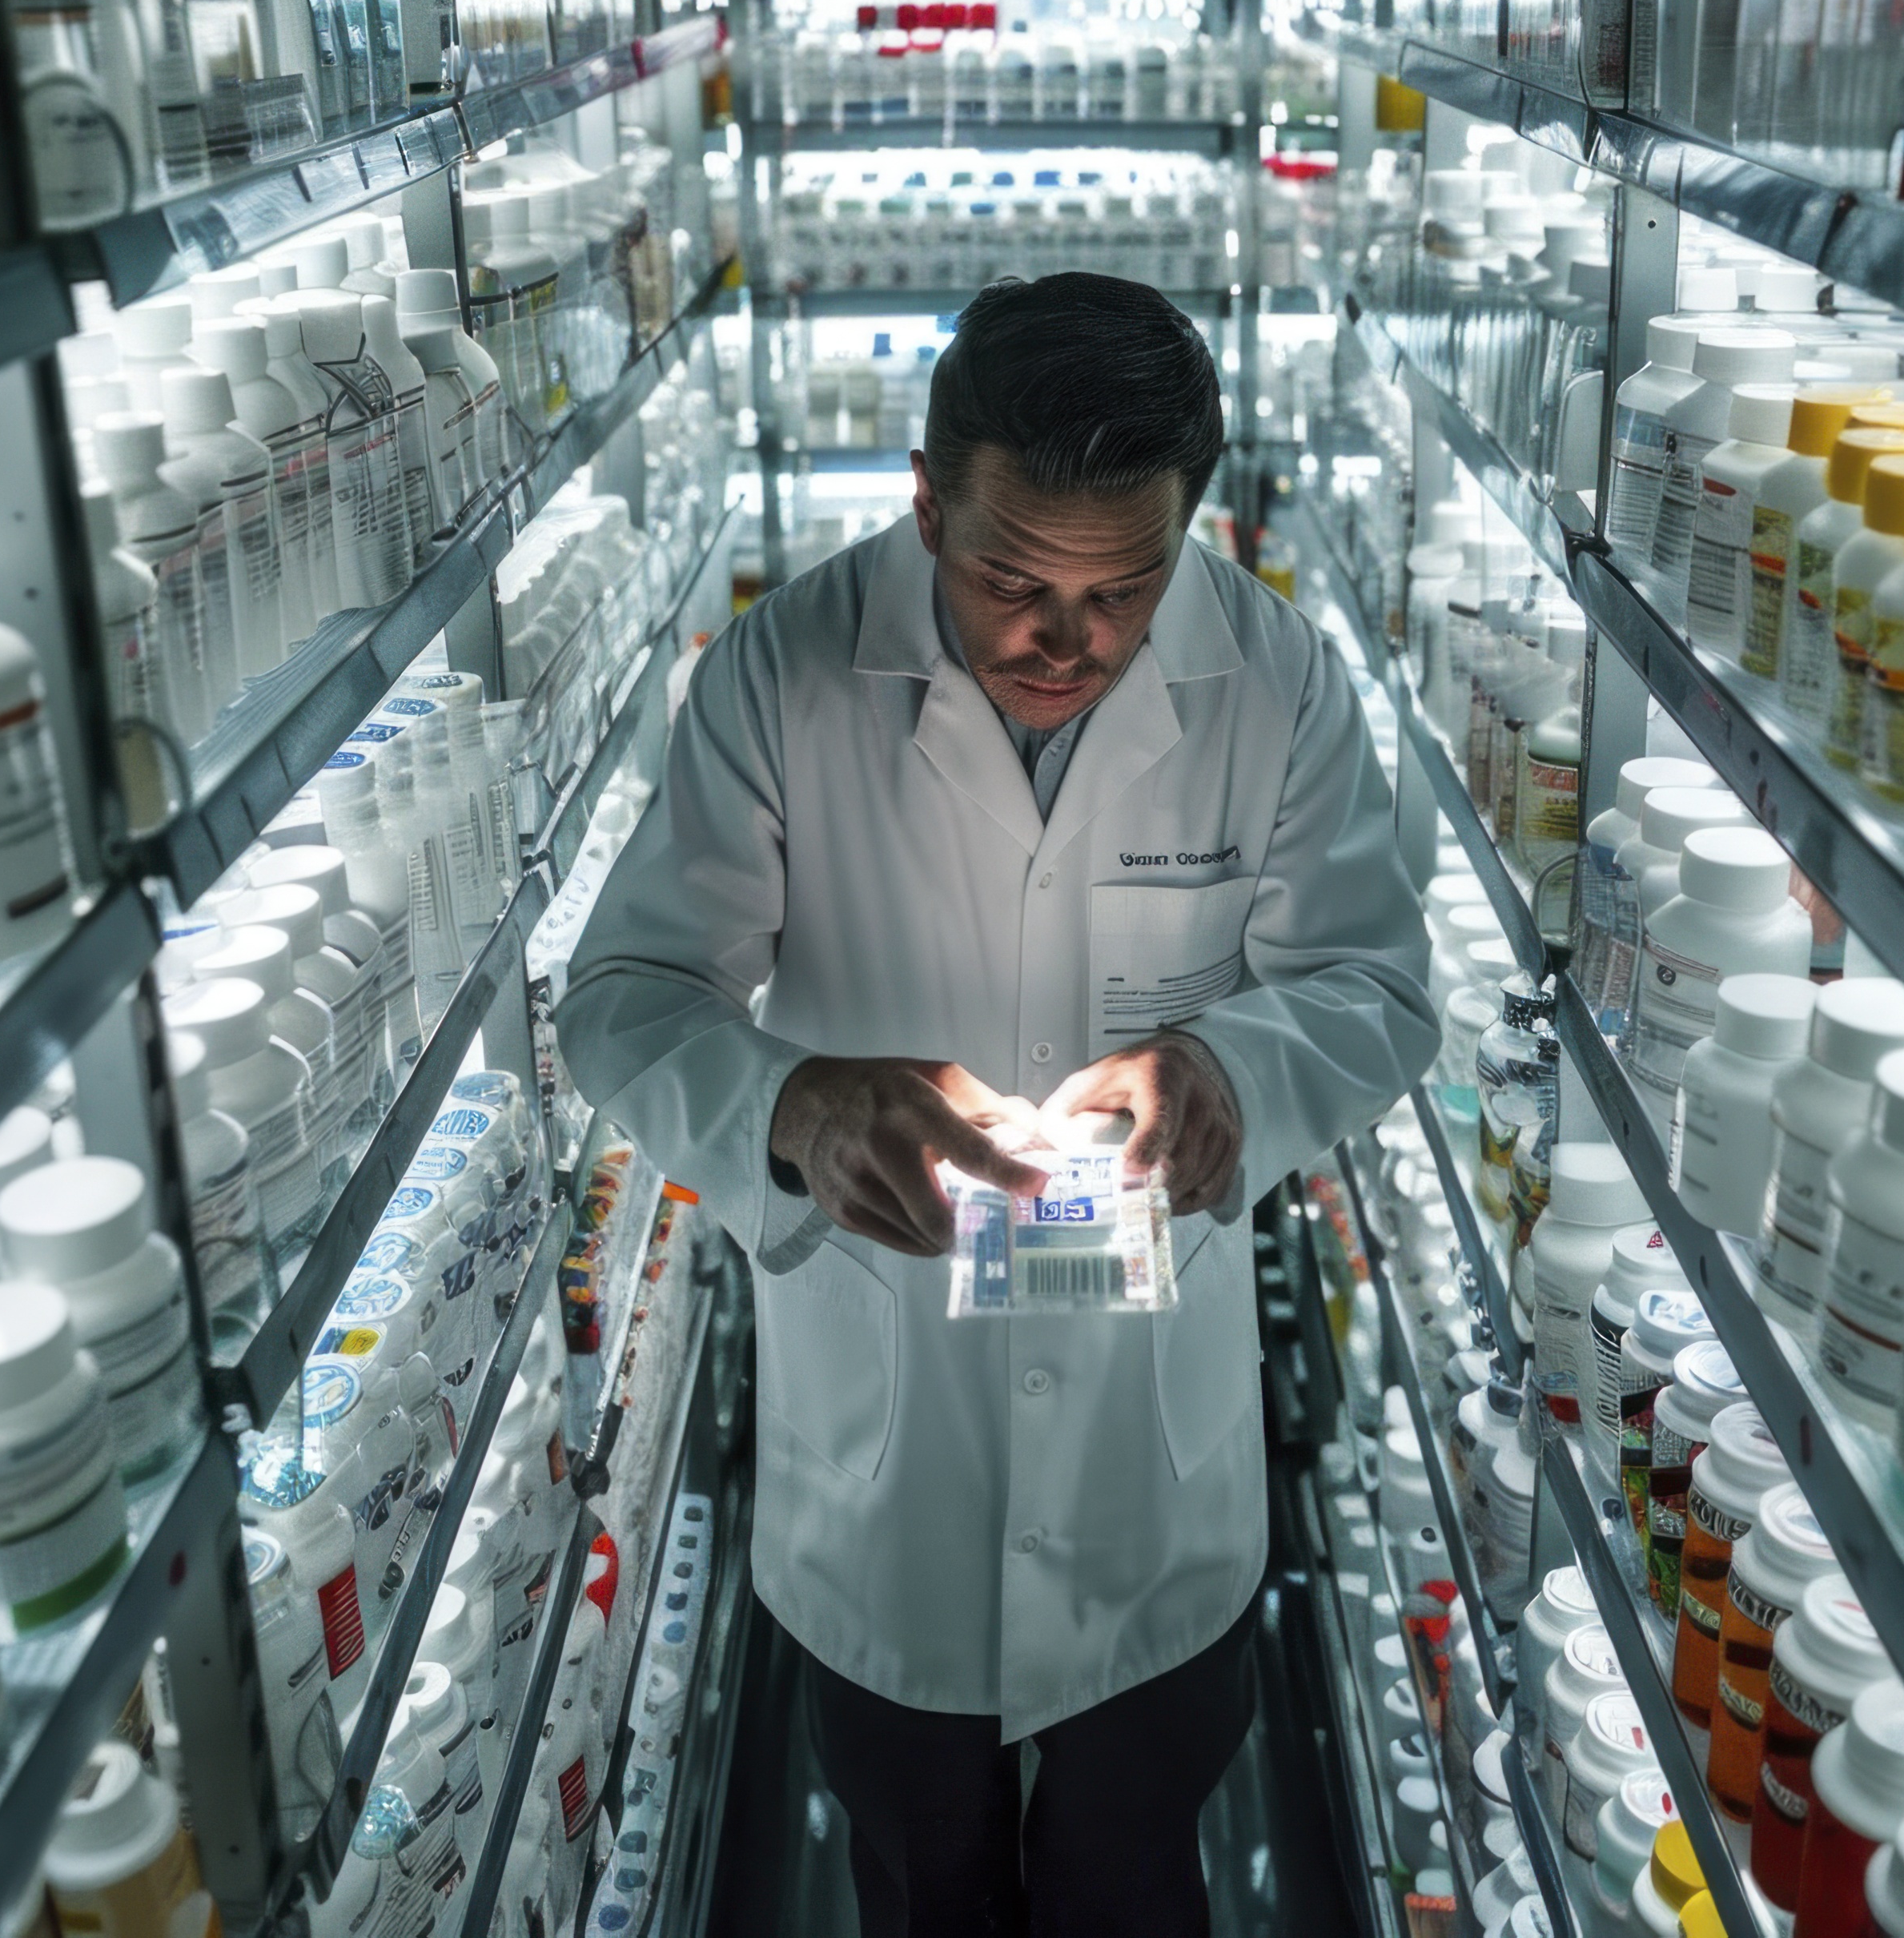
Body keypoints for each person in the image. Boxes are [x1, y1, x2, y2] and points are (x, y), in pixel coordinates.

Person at [556, 273, 1435, 1936]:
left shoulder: (1276, 684)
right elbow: (624, 998)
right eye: (1010, 577)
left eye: (1126, 590)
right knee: (917, 1890)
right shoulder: (786, 675)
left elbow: (1377, 989)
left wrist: (1233, 1071)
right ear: (924, 501)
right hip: (886, 1475)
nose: (1068, 642)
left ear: (1194, 528)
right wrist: (795, 1109)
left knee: (1135, 1885)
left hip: (1150, 1482)